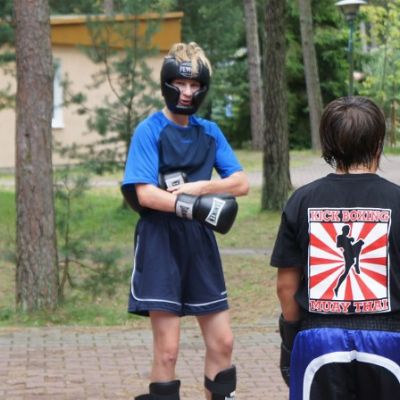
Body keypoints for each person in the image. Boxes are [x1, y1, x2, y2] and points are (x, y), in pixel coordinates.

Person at [121, 42, 249, 400]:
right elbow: (145, 194)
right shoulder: (149, 130)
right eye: (180, 83)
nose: (188, 92)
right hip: (159, 241)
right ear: (167, 84)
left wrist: (202, 187)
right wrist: (192, 206)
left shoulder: (209, 132)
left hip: (199, 242)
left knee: (223, 342)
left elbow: (241, 182)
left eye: (195, 85)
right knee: (168, 350)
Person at [270, 96, 400, 400]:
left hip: (319, 341)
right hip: (389, 340)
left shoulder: (302, 200)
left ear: (327, 144)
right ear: (378, 144)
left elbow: (286, 286)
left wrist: (291, 338)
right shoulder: (397, 200)